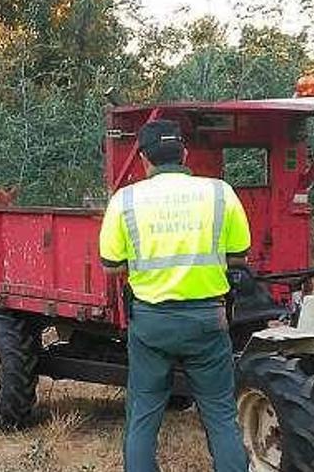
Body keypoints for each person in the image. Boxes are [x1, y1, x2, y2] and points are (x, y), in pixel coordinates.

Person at [98, 120, 254, 472]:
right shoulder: (221, 193)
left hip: (151, 325)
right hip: (208, 323)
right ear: (184, 153)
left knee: (143, 417)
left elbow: (110, 266)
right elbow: (240, 256)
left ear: (143, 159)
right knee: (220, 416)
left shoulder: (125, 200)